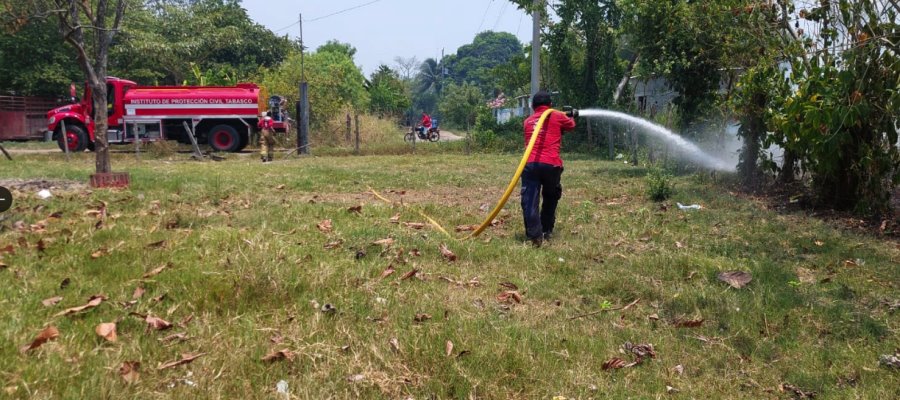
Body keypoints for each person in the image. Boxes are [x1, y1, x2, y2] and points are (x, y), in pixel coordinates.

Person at [521, 91, 576, 246]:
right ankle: (546, 230)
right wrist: (571, 114)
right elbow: (571, 125)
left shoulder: (527, 121)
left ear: (533, 107)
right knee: (551, 197)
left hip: (530, 164)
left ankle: (535, 235)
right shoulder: (558, 116)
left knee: (529, 199)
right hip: (552, 165)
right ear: (550, 105)